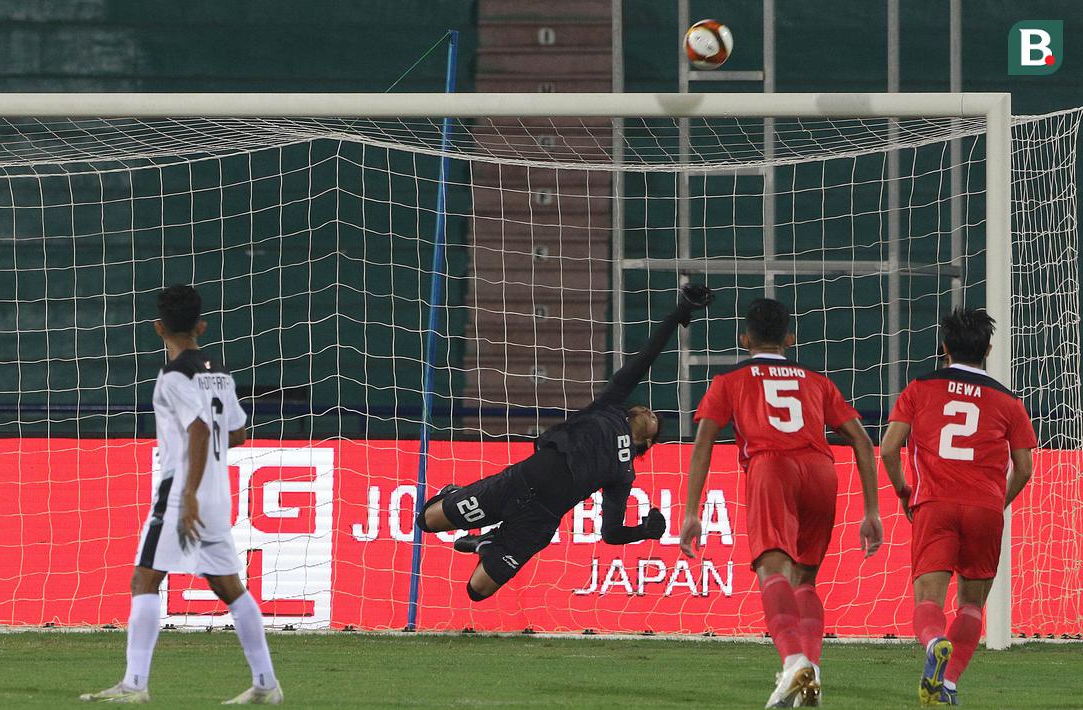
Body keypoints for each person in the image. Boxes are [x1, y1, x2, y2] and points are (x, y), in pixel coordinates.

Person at [415, 284, 714, 601]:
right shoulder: (609, 406)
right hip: (517, 483)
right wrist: (677, 314)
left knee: (478, 590)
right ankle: (456, 497)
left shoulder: (623, 474)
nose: (649, 411)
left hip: (540, 520)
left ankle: (488, 543)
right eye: (645, 408)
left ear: (647, 442)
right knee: (427, 520)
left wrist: (644, 531)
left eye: (655, 418)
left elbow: (610, 533)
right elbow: (644, 360)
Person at [81, 284, 282, 705]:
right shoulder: (218, 372)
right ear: (201, 326)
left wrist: (188, 493)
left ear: (158, 329)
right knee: (230, 588)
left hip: (182, 493)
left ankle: (134, 685)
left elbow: (198, 427)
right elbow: (238, 432)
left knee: (144, 579)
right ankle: (266, 683)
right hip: (218, 493)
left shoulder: (172, 377)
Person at [678, 297, 882, 708]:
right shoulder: (817, 381)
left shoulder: (729, 380)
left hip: (771, 467)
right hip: (821, 470)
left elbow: (703, 442)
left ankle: (792, 662)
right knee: (805, 582)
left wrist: (691, 511)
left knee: (773, 573)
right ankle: (811, 672)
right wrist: (872, 511)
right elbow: (861, 439)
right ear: (790, 338)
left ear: (744, 338)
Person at [880, 308, 1035, 706]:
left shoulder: (920, 387)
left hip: (935, 504)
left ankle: (934, 642)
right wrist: (996, 503)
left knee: (928, 600)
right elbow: (1024, 468)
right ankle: (948, 684)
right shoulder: (1009, 401)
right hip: (984, 508)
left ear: (944, 347)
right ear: (988, 349)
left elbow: (889, 447)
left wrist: (903, 492)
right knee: (971, 603)